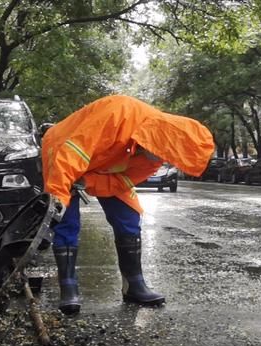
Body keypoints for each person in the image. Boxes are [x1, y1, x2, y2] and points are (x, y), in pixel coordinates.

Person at [42, 95, 215, 315]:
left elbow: (121, 181)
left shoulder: (154, 157)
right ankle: (68, 287)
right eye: (165, 154)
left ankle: (134, 284)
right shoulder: (118, 113)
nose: (163, 160)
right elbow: (70, 154)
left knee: (129, 217)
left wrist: (89, 181)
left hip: (101, 163)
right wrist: (58, 199)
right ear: (162, 137)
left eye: (170, 158)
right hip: (63, 149)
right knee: (67, 219)